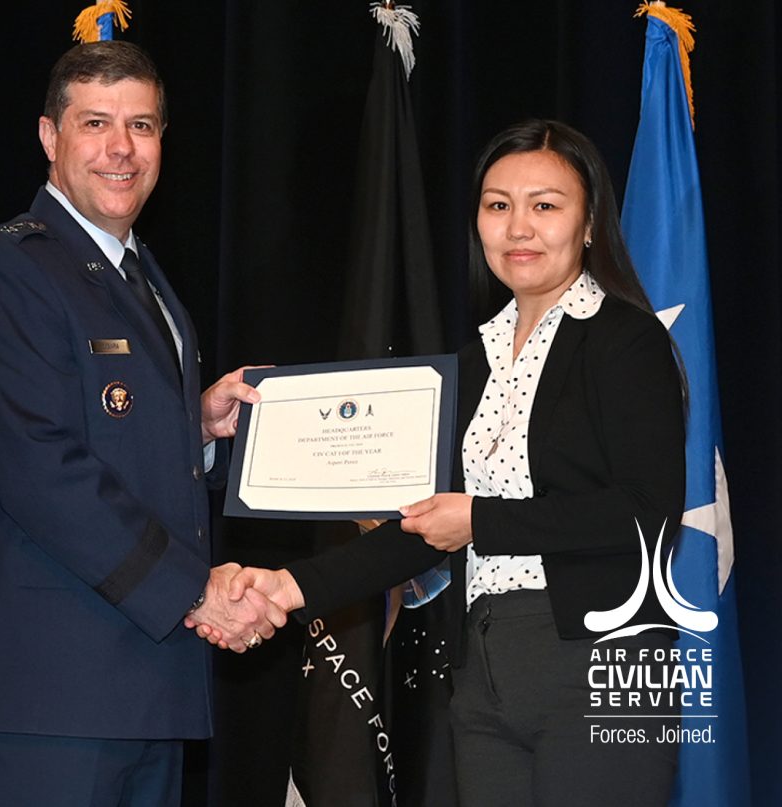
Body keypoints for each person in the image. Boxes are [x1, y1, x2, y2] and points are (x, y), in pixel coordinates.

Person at [206, 119, 687, 806]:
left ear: (587, 225)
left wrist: (481, 521)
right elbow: (422, 526)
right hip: (482, 667)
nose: (518, 227)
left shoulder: (625, 340)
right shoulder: (470, 365)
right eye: (498, 205)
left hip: (598, 658)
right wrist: (286, 587)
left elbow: (646, 514)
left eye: (545, 205)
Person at [0, 40, 286, 806]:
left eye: (142, 125)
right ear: (49, 136)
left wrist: (196, 428)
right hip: (46, 697)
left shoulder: (143, 276)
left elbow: (107, 432)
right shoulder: (8, 269)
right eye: (95, 123)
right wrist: (194, 591)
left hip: (145, 689)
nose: (121, 148)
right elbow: (39, 468)